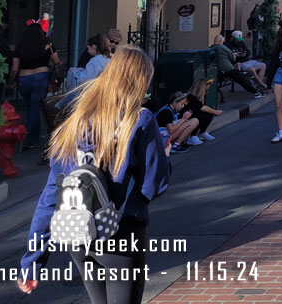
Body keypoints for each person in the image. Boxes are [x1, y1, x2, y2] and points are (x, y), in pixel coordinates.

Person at [19, 47, 170, 303]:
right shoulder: (140, 120)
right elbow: (152, 186)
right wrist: (164, 158)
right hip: (120, 233)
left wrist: (33, 262)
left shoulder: (73, 124)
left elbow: (50, 197)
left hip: (79, 235)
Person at [10, 22, 60, 150]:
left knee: (29, 107)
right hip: (41, 77)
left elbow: (15, 68)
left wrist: (12, 80)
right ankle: (31, 138)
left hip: (24, 78)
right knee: (35, 108)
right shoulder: (48, 45)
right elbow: (56, 62)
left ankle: (29, 136)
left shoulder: (20, 47)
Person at [214, 33, 264, 98]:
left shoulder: (211, 48)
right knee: (242, 79)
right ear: (221, 41)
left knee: (259, 67)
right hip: (228, 69)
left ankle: (259, 86)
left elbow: (247, 52)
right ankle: (256, 91)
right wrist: (235, 55)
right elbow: (232, 58)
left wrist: (243, 54)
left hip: (219, 71)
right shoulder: (224, 47)